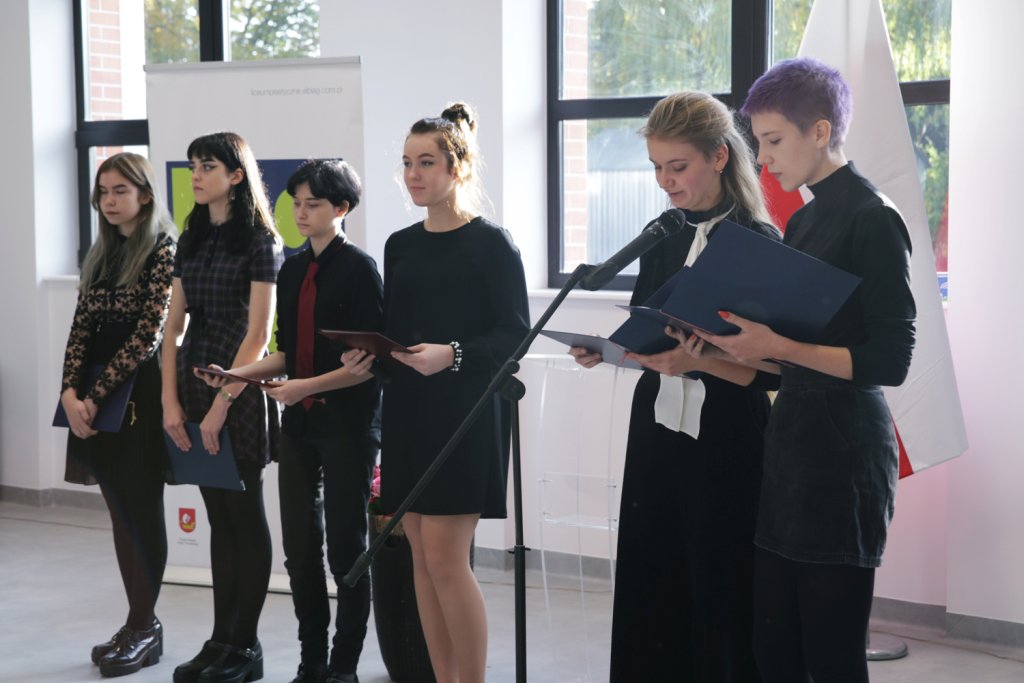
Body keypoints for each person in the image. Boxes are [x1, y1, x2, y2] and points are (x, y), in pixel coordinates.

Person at [684, 57, 914, 682]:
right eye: (758, 143)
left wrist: (777, 345)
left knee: (831, 658)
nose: (762, 161)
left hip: (844, 456)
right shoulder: (808, 218)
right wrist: (719, 348)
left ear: (820, 132)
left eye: (773, 141)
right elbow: (787, 351)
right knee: (775, 651)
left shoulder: (873, 218)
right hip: (791, 449)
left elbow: (890, 360)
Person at [568, 91, 780, 682]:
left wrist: (699, 358)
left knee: (720, 581)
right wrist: (612, 351)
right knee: (653, 574)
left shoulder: (760, 241)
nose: (665, 181)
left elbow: (770, 366)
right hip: (658, 427)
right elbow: (651, 328)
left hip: (727, 433)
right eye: (656, 167)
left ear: (719, 157)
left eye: (677, 166)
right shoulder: (661, 233)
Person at [341, 103, 529, 683]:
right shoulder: (399, 245)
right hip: (409, 412)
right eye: (406, 163)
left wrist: (453, 353)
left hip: (465, 414)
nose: (413, 174)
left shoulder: (492, 244)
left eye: (426, 162)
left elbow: (515, 336)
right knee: (421, 556)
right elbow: (396, 330)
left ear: (458, 167)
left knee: (447, 557)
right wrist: (368, 353)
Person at [199, 159, 383, 683]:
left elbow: (369, 364)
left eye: (313, 205)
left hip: (348, 425)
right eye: (296, 203)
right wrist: (234, 375)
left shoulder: (361, 269)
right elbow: (286, 354)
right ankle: (311, 663)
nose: (300, 214)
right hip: (299, 426)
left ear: (341, 208)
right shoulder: (294, 268)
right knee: (300, 552)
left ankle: (343, 668)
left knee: (346, 549)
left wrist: (305, 387)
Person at [161, 131, 284, 683]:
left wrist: (220, 405)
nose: (196, 175)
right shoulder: (192, 236)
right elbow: (173, 325)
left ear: (236, 176)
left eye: (207, 166)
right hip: (192, 380)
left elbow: (259, 333)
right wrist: (169, 399)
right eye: (193, 166)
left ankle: (245, 646)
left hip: (240, 386)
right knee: (217, 517)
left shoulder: (261, 240)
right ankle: (220, 640)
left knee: (243, 513)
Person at [59, 152, 177, 678]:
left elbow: (149, 336)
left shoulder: (164, 251)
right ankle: (137, 623)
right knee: (118, 514)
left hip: (138, 398)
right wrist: (69, 391)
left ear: (145, 195)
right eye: (103, 192)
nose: (109, 201)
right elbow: (81, 328)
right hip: (94, 398)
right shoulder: (102, 254)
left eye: (120, 191)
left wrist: (96, 395)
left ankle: (144, 627)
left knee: (141, 512)